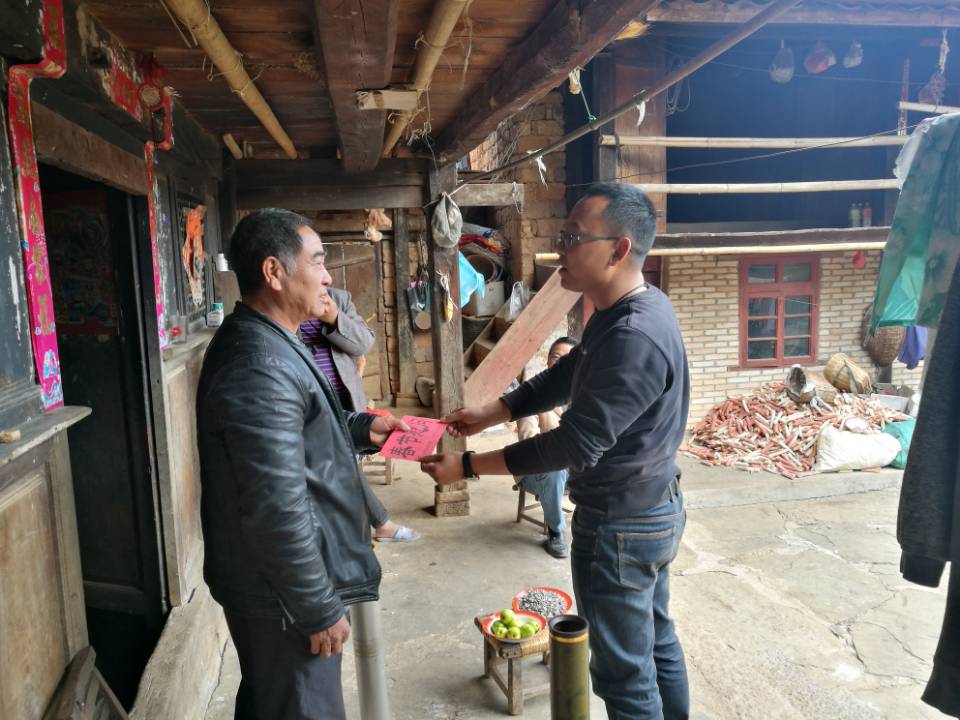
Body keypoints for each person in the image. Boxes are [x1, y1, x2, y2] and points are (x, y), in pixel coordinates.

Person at [421, 183, 691, 720]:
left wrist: (467, 467)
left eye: (572, 238)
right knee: (655, 644)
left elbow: (573, 444)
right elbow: (569, 372)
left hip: (622, 525)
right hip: (649, 507)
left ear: (618, 249)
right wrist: (494, 412)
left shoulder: (635, 335)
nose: (559, 248)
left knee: (624, 675)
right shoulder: (625, 309)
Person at [196, 208, 408, 720]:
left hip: (273, 591)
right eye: (317, 261)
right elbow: (275, 506)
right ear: (274, 272)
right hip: (282, 601)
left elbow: (298, 430)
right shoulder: (258, 364)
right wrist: (315, 606)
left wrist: (362, 428)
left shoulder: (270, 340)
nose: (328, 277)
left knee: (273, 703)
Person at [299, 288, 419, 543]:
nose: (325, 276)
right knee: (339, 464)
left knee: (344, 464)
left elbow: (364, 343)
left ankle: (372, 525)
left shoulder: (338, 298)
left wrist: (334, 317)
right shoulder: (286, 303)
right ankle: (378, 524)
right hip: (309, 402)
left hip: (346, 402)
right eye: (316, 267)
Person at [513, 336, 578, 558]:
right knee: (554, 469)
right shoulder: (534, 396)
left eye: (567, 358)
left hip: (575, 471)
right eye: (555, 357)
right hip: (535, 471)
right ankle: (556, 531)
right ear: (548, 361)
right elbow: (528, 441)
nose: (560, 363)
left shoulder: (585, 396)